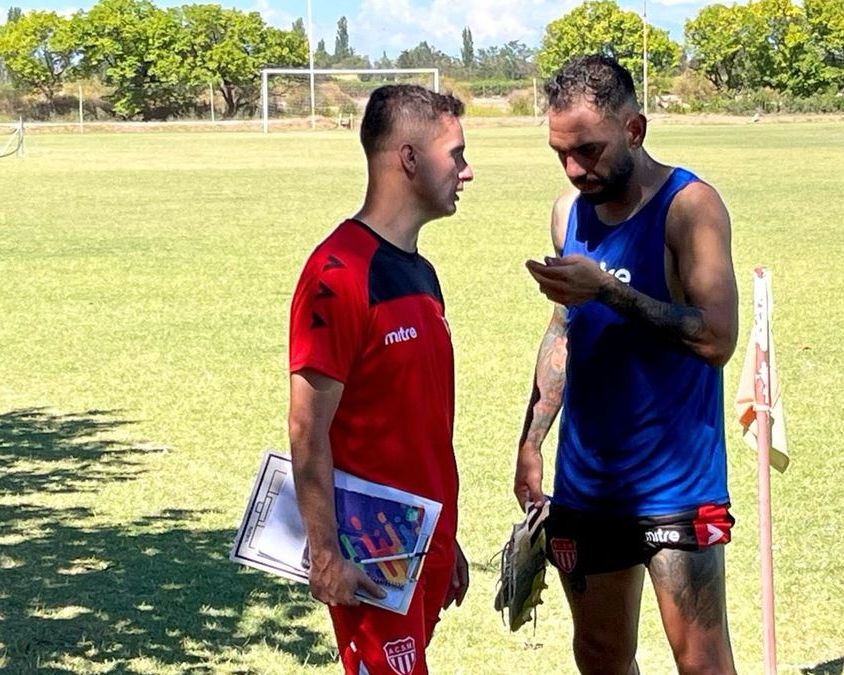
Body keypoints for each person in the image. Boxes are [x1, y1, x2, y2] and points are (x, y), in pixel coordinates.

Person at [514, 55, 740, 675]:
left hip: (676, 487)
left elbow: (717, 337)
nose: (574, 168)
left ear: (634, 129)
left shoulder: (690, 207)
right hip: (588, 486)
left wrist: (608, 289)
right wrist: (532, 441)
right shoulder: (567, 213)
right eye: (561, 152)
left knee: (701, 662)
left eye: (587, 150)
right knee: (600, 657)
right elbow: (564, 328)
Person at [288, 84, 473, 675]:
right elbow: (305, 426)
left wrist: (447, 533)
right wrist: (325, 552)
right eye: (457, 155)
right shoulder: (337, 274)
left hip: (425, 543)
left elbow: (418, 422)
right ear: (410, 158)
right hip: (369, 550)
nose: (467, 172)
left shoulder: (421, 273)